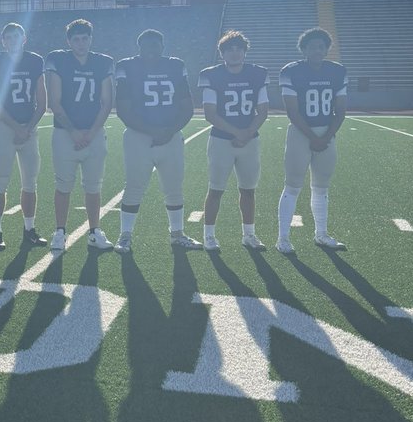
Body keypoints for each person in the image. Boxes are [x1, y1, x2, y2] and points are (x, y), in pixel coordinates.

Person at [114, 28, 201, 252]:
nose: (151, 50)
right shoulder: (127, 66)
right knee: (134, 186)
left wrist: (170, 130)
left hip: (170, 136)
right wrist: (152, 131)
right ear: (139, 47)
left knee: (174, 187)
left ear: (162, 47)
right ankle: (125, 235)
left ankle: (177, 234)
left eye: (156, 45)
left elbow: (186, 104)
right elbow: (123, 108)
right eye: (147, 45)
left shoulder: (175, 65)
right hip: (138, 136)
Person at [44, 19, 114, 251]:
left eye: (85, 38)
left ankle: (94, 231)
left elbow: (107, 102)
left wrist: (91, 133)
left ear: (91, 39)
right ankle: (60, 231)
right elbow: (54, 100)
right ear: (69, 41)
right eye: (76, 39)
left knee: (93, 186)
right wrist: (74, 131)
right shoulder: (58, 60)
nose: (81, 43)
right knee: (63, 184)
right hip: (65, 133)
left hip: (93, 133)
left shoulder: (103, 62)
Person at [277, 27, 347, 253]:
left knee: (321, 187)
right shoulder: (291, 71)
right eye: (312, 46)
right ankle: (283, 238)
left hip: (326, 133)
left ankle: (322, 234)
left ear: (327, 49)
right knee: (293, 185)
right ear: (304, 49)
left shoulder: (337, 71)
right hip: (301, 132)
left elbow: (341, 111)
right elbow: (292, 111)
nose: (317, 50)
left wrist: (326, 136)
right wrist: (313, 137)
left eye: (321, 46)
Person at [197, 30, 269, 251]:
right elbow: (210, 113)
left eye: (239, 49)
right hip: (222, 140)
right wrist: (239, 133)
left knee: (248, 190)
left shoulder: (257, 74)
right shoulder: (211, 75)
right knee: (216, 189)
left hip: (249, 140)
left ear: (245, 52)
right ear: (222, 53)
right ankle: (209, 235)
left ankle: (249, 234)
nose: (235, 53)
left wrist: (247, 132)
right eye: (230, 49)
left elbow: (263, 110)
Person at [0, 22, 47, 249]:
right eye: (8, 37)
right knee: (1, 181)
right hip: (6, 127)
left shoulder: (35, 61)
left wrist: (27, 127)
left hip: (29, 126)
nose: (12, 41)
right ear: (3, 41)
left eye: (16, 36)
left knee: (30, 182)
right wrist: (18, 127)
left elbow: (42, 102)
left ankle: (29, 229)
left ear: (24, 39)